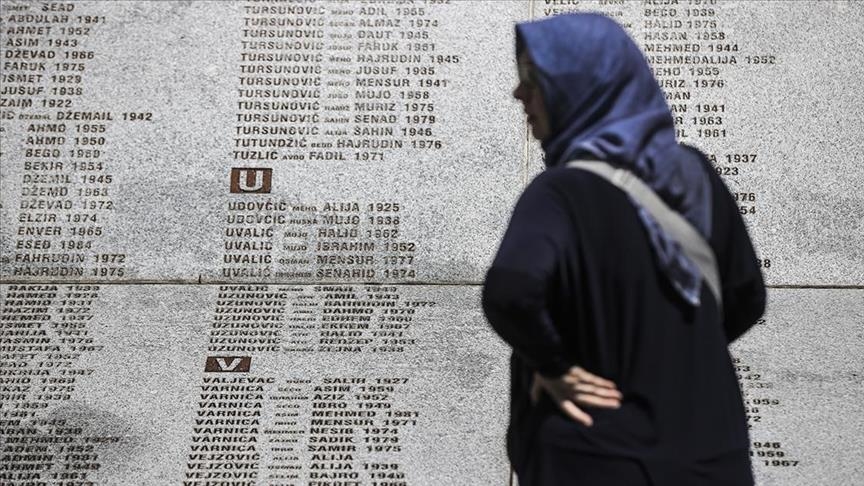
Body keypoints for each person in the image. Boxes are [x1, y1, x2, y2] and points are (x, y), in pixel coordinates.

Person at [482, 13, 766, 486]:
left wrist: (554, 366)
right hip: (712, 456)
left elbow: (511, 289)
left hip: (594, 456)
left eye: (533, 80)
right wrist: (670, 356)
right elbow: (746, 298)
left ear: (583, 85)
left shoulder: (560, 192)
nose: (519, 95)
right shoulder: (696, 176)